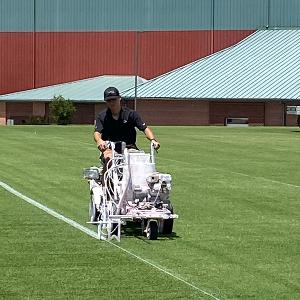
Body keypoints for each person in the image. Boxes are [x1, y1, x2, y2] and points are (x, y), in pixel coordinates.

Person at [94, 86, 160, 163]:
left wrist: (153, 140)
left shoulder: (131, 114)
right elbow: (97, 132)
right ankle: (106, 174)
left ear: (119, 98)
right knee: (110, 159)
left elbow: (144, 128)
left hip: (129, 147)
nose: (112, 103)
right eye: (109, 100)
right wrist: (99, 140)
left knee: (142, 162)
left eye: (114, 99)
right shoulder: (102, 116)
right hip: (110, 147)